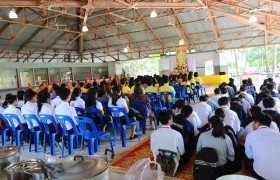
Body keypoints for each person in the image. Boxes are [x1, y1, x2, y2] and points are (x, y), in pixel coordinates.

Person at [244, 113, 280, 180]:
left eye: (253, 122)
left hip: (261, 175)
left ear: (257, 123)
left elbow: (249, 155)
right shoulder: (278, 134)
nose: (252, 124)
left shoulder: (250, 135)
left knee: (245, 157)